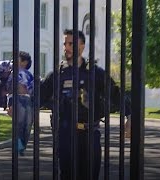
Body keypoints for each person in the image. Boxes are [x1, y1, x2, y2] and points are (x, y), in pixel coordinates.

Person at [40, 29, 132, 180]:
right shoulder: (58, 74)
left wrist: (130, 114)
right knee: (67, 175)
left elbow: (115, 93)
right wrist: (19, 104)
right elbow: (39, 96)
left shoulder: (94, 72)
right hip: (66, 134)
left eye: (71, 43)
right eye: (65, 44)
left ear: (82, 46)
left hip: (90, 133)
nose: (66, 47)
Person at [7, 51, 34, 156]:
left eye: (16, 59)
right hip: (17, 99)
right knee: (19, 124)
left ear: (24, 62)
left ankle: (22, 145)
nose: (13, 61)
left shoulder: (29, 75)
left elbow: (32, 89)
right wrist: (9, 105)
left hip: (27, 100)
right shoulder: (12, 74)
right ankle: (18, 147)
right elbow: (9, 90)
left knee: (28, 125)